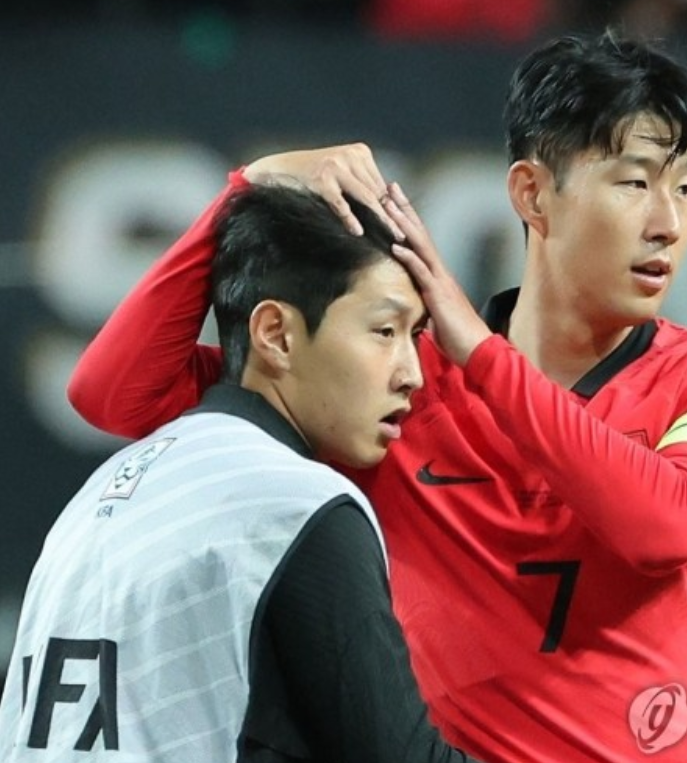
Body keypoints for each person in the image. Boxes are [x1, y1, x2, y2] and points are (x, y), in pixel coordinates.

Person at [67, 30, 687, 762]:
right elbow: (119, 394)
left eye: (686, 188)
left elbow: (666, 524)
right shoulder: (399, 385)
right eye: (635, 183)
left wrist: (480, 352)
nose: (669, 223)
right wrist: (246, 191)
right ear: (533, 194)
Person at [0, 183, 486, 763]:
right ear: (275, 334)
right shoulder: (295, 505)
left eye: (416, 336)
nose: (412, 373)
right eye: (385, 331)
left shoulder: (100, 490)